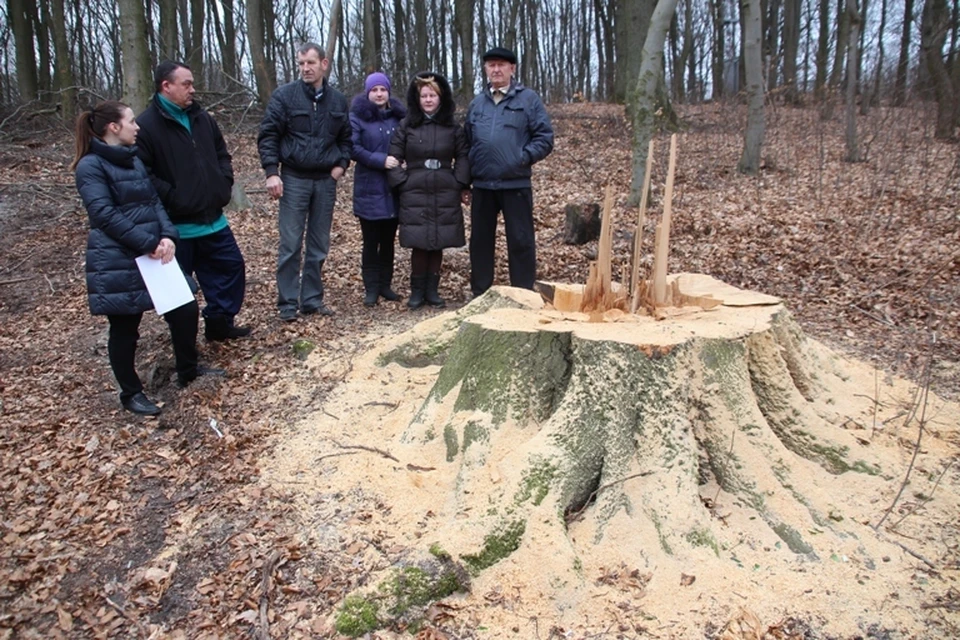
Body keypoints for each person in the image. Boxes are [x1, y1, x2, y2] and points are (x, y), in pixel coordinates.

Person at [72, 101, 221, 416]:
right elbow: (103, 214)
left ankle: (188, 370)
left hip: (155, 252)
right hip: (118, 258)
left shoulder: (133, 160)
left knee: (185, 308)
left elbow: (154, 202)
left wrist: (167, 236)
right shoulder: (91, 166)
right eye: (131, 121)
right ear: (114, 127)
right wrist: (148, 242)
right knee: (125, 328)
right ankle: (131, 393)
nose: (137, 127)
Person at [136, 61, 251, 341]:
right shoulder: (146, 126)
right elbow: (144, 174)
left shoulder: (202, 118)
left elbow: (221, 152)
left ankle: (219, 324)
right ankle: (184, 347)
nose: (193, 89)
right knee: (179, 290)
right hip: (177, 228)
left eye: (192, 83)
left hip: (214, 220)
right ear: (166, 86)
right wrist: (176, 197)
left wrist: (224, 182)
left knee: (230, 269)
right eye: (186, 84)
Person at [258, 43, 352, 321]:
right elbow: (268, 136)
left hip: (325, 180)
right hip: (294, 178)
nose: (305, 68)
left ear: (324, 64)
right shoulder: (284, 97)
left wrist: (341, 165)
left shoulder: (337, 100)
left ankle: (311, 299)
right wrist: (271, 172)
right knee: (290, 243)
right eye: (301, 63)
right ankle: (287, 303)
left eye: (310, 63)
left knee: (319, 244)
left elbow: (346, 138)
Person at [465, 47, 554, 296]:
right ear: (485, 69)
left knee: (521, 241)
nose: (496, 70)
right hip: (483, 184)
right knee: (480, 242)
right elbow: (467, 140)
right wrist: (467, 176)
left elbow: (545, 137)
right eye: (491, 65)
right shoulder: (477, 103)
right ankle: (480, 294)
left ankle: (523, 294)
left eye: (501, 65)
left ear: (512, 69)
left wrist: (522, 158)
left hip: (515, 183)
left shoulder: (528, 100)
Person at [388, 72, 471, 309]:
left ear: (440, 97)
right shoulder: (407, 125)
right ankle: (416, 292)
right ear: (417, 98)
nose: (427, 99)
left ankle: (432, 291)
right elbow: (393, 156)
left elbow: (463, 155)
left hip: (444, 188)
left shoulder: (452, 126)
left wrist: (460, 182)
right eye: (423, 95)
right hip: (414, 190)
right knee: (419, 241)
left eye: (432, 95)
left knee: (438, 241)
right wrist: (402, 182)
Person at [349, 71, 406, 307]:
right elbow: (353, 147)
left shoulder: (399, 119)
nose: (379, 94)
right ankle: (371, 288)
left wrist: (404, 160)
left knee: (389, 240)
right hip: (369, 188)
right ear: (368, 93)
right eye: (374, 90)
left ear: (388, 92)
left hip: (394, 188)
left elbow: (408, 143)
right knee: (371, 241)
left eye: (383, 89)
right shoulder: (357, 118)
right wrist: (380, 160)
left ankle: (385, 285)